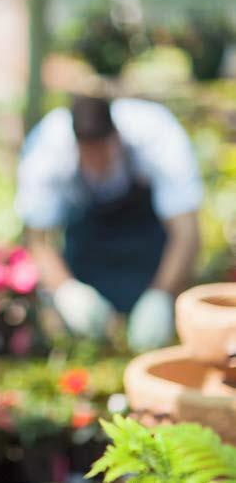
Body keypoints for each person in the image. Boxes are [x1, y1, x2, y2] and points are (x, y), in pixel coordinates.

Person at [16, 94, 202, 352]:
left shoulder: (158, 135)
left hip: (148, 248)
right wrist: (66, 290)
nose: (97, 163)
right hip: (87, 249)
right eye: (88, 154)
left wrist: (161, 295)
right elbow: (38, 239)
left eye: (102, 151)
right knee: (86, 341)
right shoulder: (46, 149)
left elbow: (186, 233)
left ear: (115, 137)